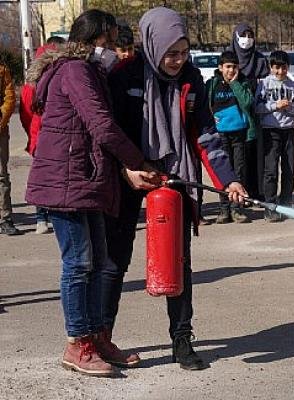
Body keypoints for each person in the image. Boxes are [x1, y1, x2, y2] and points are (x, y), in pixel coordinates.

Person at [105, 7, 248, 371]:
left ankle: (182, 340)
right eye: (171, 53)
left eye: (183, 52)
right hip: (131, 174)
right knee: (115, 260)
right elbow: (111, 134)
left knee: (178, 260)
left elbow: (205, 135)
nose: (177, 60)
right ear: (152, 44)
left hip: (174, 176)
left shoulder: (192, 79)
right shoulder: (125, 76)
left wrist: (227, 179)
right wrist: (128, 170)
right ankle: (101, 338)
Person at [25, 9, 158, 376]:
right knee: (79, 264)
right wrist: (138, 162)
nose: (116, 48)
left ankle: (97, 335)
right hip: (64, 183)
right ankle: (77, 344)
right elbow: (101, 124)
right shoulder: (75, 70)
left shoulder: (90, 71)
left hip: (84, 181)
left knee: (100, 262)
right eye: (112, 40)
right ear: (96, 38)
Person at [20, 37, 66, 234]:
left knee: (42, 177)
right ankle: (53, 216)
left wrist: (32, 136)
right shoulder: (65, 73)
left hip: (38, 135)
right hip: (57, 137)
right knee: (59, 178)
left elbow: (25, 114)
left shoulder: (32, 82)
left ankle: (41, 218)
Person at [206, 50, 258, 223]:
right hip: (220, 135)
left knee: (239, 171)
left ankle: (237, 208)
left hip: (240, 134)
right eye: (228, 67)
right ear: (220, 67)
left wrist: (235, 84)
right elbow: (206, 106)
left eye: (234, 67)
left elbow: (247, 103)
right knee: (223, 172)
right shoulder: (212, 84)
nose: (231, 70)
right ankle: (224, 208)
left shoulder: (243, 83)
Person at [255, 50, 294, 222]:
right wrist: (276, 105)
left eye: (283, 68)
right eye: (276, 68)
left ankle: (286, 203)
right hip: (270, 130)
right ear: (271, 67)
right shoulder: (264, 84)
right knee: (270, 171)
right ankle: (270, 205)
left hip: (289, 131)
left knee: (289, 169)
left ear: (288, 67)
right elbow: (258, 107)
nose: (280, 71)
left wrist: (289, 107)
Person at [226, 23, 269, 200]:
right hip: (234, 119)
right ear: (235, 37)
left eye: (250, 35)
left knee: (257, 157)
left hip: (257, 117)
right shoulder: (230, 61)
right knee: (238, 160)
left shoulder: (260, 61)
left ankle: (257, 193)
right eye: (243, 35)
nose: (247, 40)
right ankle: (237, 195)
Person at [0, 44, 20, 236]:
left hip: (0, 131)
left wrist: (1, 121)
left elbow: (10, 99)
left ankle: (5, 218)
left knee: (1, 176)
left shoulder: (2, 71)